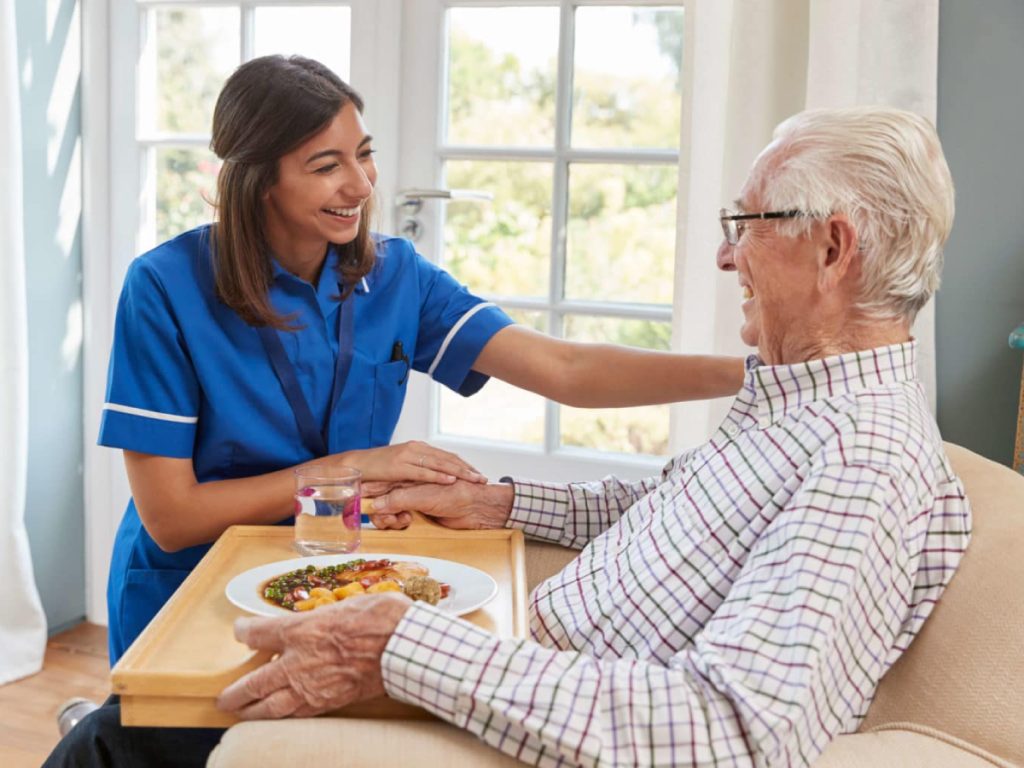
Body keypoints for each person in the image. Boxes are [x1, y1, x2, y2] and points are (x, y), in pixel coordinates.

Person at [209, 106, 971, 767]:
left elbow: (732, 733)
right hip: (528, 654)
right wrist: (498, 504)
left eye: (745, 223)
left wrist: (396, 646)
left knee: (184, 718)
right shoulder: (806, 407)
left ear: (834, 250)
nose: (724, 253)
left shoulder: (865, 456)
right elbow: (675, 509)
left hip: (555, 713)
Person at [39, 54, 741, 768]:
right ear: (256, 183)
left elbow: (565, 368)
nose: (360, 184)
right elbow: (171, 515)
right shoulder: (164, 287)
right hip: (192, 585)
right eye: (324, 165)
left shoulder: (396, 273)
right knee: (172, 743)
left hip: (337, 572)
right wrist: (347, 467)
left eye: (364, 154)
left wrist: (755, 371)